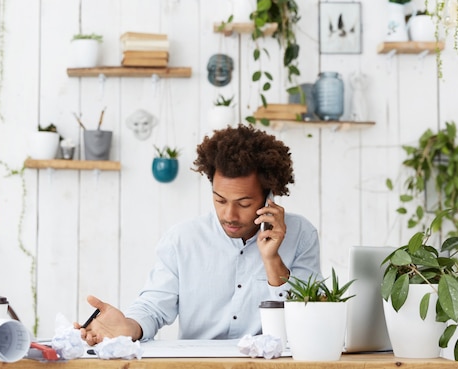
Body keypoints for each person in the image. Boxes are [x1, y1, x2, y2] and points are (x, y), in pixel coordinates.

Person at [75, 124, 321, 345]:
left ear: (270, 197)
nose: (229, 215)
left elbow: (309, 322)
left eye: (244, 204)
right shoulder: (182, 240)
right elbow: (153, 308)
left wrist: (272, 260)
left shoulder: (302, 235)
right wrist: (128, 328)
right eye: (220, 200)